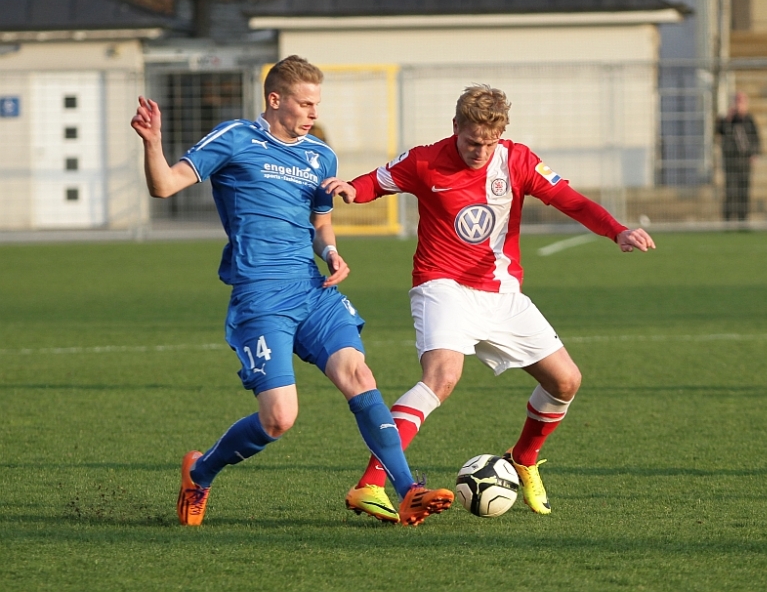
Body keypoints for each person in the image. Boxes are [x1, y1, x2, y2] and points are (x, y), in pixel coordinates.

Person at [129, 55, 452, 527]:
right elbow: (164, 185)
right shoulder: (235, 137)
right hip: (260, 295)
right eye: (305, 103)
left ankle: (408, 491)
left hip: (312, 289)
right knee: (279, 418)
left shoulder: (320, 155)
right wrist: (153, 143)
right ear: (275, 99)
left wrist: (332, 252)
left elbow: (321, 221)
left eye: (317, 103)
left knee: (359, 375)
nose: (313, 112)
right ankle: (199, 474)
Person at [323, 85, 656, 519]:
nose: (480, 151)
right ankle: (370, 484)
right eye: (472, 141)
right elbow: (376, 182)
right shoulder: (424, 160)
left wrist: (617, 230)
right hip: (441, 285)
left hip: (501, 292)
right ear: (455, 127)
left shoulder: (518, 161)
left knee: (565, 382)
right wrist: (352, 188)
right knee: (442, 377)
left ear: (502, 135)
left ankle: (523, 458)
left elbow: (570, 200)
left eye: (489, 143)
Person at [716, 91, 760, 223]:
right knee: (730, 192)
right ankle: (728, 221)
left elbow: (755, 139)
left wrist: (753, 153)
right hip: (731, 161)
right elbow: (719, 131)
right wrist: (728, 118)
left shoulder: (749, 120)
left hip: (744, 161)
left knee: (743, 192)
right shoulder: (729, 119)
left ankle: (743, 221)